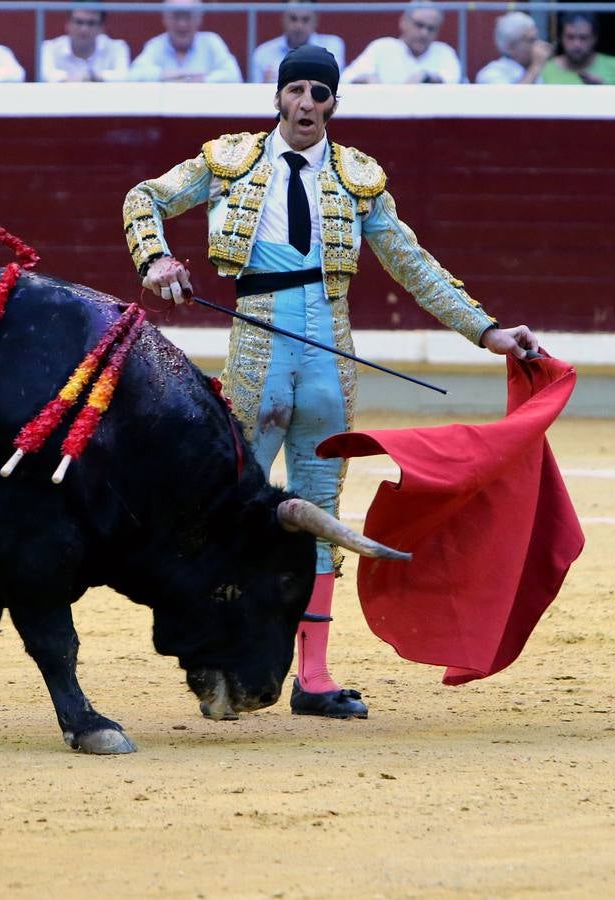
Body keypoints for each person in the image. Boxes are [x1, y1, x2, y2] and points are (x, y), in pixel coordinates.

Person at [123, 45, 539, 719]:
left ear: (333, 105)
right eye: (297, 91)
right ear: (278, 98)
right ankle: (224, 658)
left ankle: (311, 677)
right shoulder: (229, 159)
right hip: (256, 336)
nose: (308, 104)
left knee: (321, 516)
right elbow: (144, 197)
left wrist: (485, 331)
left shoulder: (356, 178)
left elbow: (412, 263)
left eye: (320, 94)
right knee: (235, 511)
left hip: (328, 347)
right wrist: (158, 258)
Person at [341, 0, 460, 84]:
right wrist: (366, 79)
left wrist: (426, 78)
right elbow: (346, 78)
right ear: (403, 22)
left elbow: (455, 81)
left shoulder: (444, 52)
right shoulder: (382, 47)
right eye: (419, 25)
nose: (424, 33)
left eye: (431, 28)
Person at [128, 0, 241, 83]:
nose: (182, 24)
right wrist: (166, 75)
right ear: (165, 19)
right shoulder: (156, 45)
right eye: (176, 17)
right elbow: (135, 75)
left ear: (199, 19)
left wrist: (204, 80)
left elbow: (234, 76)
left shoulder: (211, 42)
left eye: (188, 17)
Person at [248, 0, 344, 84]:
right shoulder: (263, 53)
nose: (299, 26)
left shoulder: (332, 46)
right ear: (283, 18)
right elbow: (252, 96)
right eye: (293, 19)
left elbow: (336, 85)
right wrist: (264, 85)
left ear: (316, 20)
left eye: (305, 19)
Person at [40, 0, 130, 83]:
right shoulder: (50, 48)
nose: (84, 29)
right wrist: (86, 79)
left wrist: (93, 77)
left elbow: (123, 76)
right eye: (79, 22)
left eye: (91, 23)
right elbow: (46, 76)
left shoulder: (117, 48)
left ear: (101, 28)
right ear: (67, 24)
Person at [540, 13, 615, 86]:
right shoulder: (546, 69)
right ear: (561, 38)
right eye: (570, 37)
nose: (577, 44)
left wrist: (605, 89)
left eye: (583, 38)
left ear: (594, 39)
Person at [475, 12, 550, 84]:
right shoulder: (491, 74)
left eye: (536, 39)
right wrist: (535, 67)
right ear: (510, 47)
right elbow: (511, 97)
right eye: (530, 40)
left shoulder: (534, 71)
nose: (537, 45)